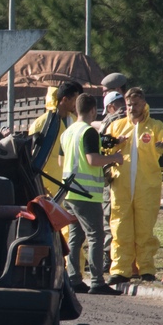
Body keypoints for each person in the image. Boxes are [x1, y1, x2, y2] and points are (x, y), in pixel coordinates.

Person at [106, 87, 163, 284]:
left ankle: (146, 269)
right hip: (121, 188)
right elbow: (102, 146)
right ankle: (120, 270)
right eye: (129, 104)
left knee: (144, 231)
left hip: (147, 188)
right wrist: (115, 142)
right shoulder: (117, 126)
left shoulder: (155, 127)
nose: (132, 108)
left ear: (144, 104)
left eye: (136, 104)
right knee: (120, 229)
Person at [59, 93, 124, 295]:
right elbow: (92, 160)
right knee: (95, 235)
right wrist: (115, 157)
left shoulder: (67, 132)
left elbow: (61, 162)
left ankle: (74, 279)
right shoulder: (88, 132)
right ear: (93, 110)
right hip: (86, 194)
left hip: (69, 192)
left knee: (75, 238)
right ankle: (97, 282)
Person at [27, 80, 84, 196]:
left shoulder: (74, 121)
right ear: (65, 99)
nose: (77, 104)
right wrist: (40, 187)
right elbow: (31, 159)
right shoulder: (41, 124)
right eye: (75, 99)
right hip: (48, 188)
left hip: (69, 184)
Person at [96, 91, 127, 266]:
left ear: (110, 107)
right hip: (132, 175)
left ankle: (108, 258)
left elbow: (100, 143)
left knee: (109, 216)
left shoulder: (110, 121)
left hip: (112, 174)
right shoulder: (135, 117)